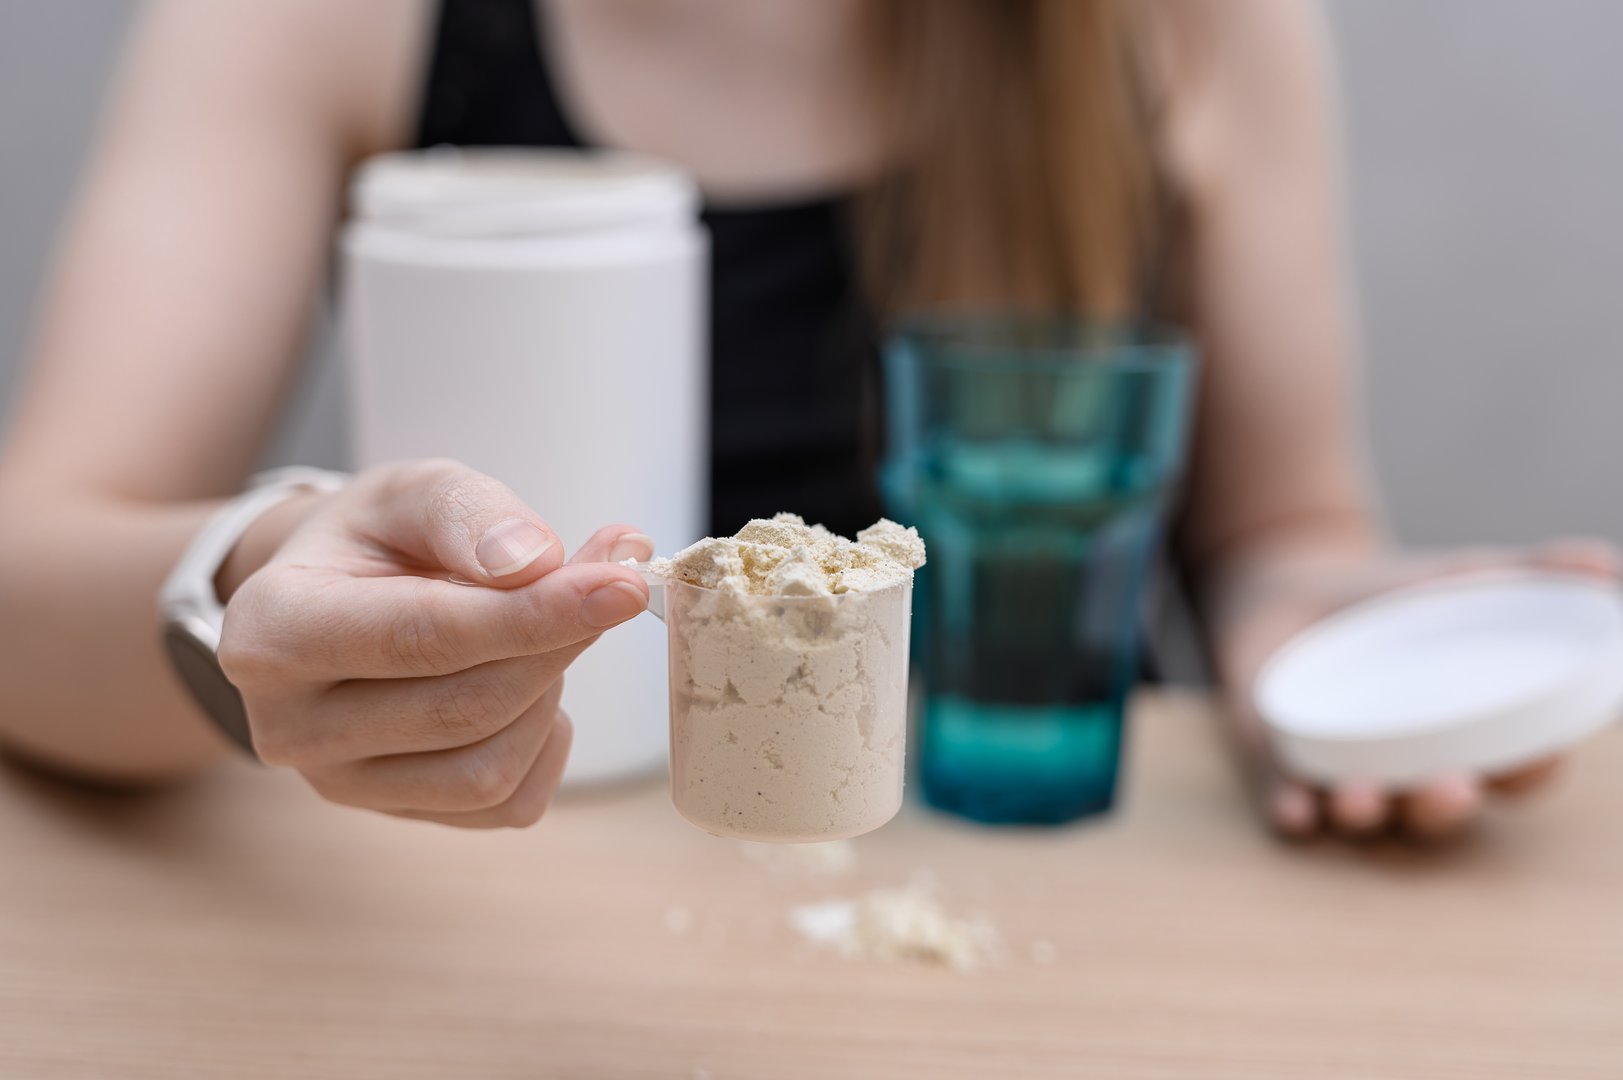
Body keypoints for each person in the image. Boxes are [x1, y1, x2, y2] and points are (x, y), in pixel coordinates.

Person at [0, 0, 1611, 836]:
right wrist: (265, 571)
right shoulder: (328, 23)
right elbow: (27, 576)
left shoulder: (1178, 27)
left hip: (1033, 893)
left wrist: (1334, 643)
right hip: (498, 903)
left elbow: (1280, 532)